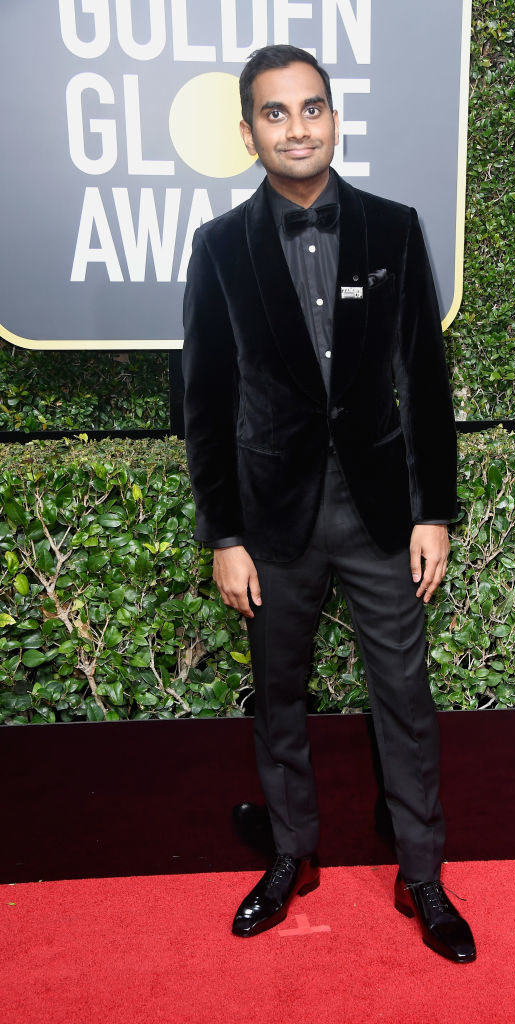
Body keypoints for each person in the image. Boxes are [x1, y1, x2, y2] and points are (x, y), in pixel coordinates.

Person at [182, 44, 475, 964]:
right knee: (277, 695)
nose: (297, 127)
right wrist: (224, 534)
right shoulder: (218, 247)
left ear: (334, 120)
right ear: (248, 133)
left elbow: (422, 380)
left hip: (381, 513)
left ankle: (421, 873)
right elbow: (204, 402)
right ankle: (291, 856)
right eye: (275, 113)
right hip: (272, 518)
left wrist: (433, 512)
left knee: (405, 696)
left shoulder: (393, 228)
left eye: (311, 108)